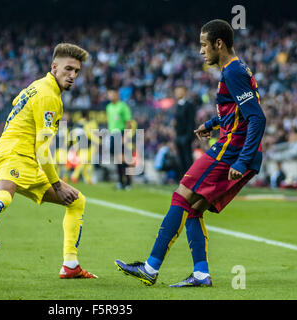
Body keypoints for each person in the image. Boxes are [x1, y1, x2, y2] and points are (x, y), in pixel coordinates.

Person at [115, 19, 266, 287]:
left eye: (203, 45)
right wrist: (211, 124)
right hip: (235, 147)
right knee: (195, 209)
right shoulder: (237, 68)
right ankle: (200, 274)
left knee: (181, 195)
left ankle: (150, 267)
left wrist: (241, 160)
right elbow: (238, 112)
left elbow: (257, 118)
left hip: (231, 150)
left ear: (219, 44)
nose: (200, 51)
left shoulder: (232, 72)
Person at [0, 43, 97, 279]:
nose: (72, 76)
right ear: (54, 67)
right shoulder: (49, 96)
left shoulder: (36, 86)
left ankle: (70, 265)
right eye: (68, 69)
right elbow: (42, 150)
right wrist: (57, 184)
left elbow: (16, 101)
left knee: (77, 201)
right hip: (16, 154)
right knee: (5, 192)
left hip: (17, 156)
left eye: (77, 71)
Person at [106, 88, 133, 190]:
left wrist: (125, 136)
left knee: (124, 159)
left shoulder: (123, 106)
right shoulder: (108, 107)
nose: (110, 96)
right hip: (113, 134)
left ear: (117, 94)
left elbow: (128, 122)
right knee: (117, 159)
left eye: (112, 94)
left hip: (121, 134)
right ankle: (120, 182)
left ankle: (128, 182)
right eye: (109, 94)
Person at [173, 85, 196, 180]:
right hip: (179, 136)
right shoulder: (178, 105)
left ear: (184, 92)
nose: (176, 93)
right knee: (180, 158)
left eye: (178, 91)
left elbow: (191, 122)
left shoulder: (189, 105)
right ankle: (182, 179)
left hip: (185, 136)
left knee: (187, 158)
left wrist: (189, 136)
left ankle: (190, 178)